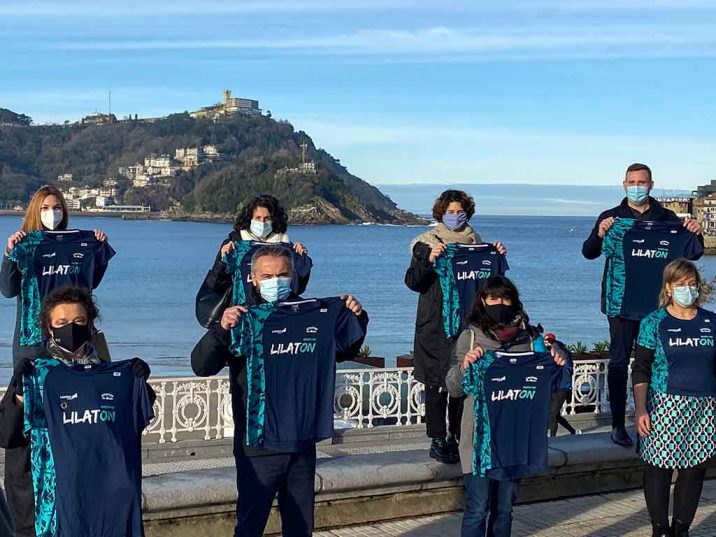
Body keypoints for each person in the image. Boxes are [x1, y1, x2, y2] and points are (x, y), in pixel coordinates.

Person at [191, 245, 368, 537]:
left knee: (300, 528)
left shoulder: (314, 315)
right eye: (268, 275)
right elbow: (200, 366)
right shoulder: (242, 318)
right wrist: (221, 329)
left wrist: (356, 317)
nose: (276, 280)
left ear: (294, 276)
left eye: (283, 274)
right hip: (258, 444)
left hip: (302, 440)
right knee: (250, 526)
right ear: (254, 279)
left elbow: (345, 348)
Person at [0, 286, 151, 537]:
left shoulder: (113, 375)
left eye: (79, 321)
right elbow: (6, 436)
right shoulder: (36, 375)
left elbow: (129, 427)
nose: (70, 327)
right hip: (44, 506)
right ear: (49, 328)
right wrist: (18, 397)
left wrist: (139, 387)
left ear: (89, 324)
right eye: (61, 322)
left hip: (101, 500)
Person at [582, 163, 703, 447]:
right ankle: (616, 424)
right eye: (632, 182)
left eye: (642, 182)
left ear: (651, 184)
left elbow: (693, 255)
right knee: (619, 361)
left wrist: (695, 232)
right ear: (624, 184)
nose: (637, 186)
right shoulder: (612, 218)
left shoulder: (668, 218)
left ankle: (656, 418)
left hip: (658, 305)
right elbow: (589, 253)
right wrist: (600, 234)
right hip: (620, 303)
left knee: (656, 362)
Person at [445, 276, 565, 537]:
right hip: (478, 442)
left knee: (505, 508)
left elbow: (554, 381)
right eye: (493, 298)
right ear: (482, 301)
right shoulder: (470, 338)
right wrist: (465, 365)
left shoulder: (530, 338)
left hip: (514, 440)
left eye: (505, 298)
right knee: (477, 507)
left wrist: (556, 358)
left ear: (514, 302)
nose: (499, 303)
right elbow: (453, 387)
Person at [405, 189, 506, 464]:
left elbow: (495, 288)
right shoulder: (426, 244)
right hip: (435, 326)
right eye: (450, 211)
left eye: (460, 211)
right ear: (440, 213)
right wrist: (429, 260)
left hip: (470, 327)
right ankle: (438, 438)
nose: (455, 216)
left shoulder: (478, 245)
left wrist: (496, 257)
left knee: (463, 379)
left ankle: (459, 434)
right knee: (437, 384)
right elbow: (413, 282)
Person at [633, 259, 715, 537]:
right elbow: (641, 368)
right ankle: (660, 528)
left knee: (694, 469)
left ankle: (682, 527)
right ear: (668, 288)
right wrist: (641, 409)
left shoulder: (710, 322)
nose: (687, 289)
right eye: (681, 285)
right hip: (664, 403)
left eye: (692, 284)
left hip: (704, 406)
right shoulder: (654, 322)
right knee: (660, 466)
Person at [1, 185, 109, 367]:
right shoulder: (24, 245)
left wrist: (98, 252)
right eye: (45, 208)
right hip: (33, 339)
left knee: (75, 391)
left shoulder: (81, 244)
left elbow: (91, 283)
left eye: (57, 208)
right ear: (36, 210)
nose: (52, 213)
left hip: (74, 337)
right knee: (29, 391)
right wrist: (10, 254)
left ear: (64, 211)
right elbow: (7, 290)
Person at [197, 194, 310, 325]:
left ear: (274, 220)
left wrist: (301, 260)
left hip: (277, 314)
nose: (262, 222)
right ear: (250, 219)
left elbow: (296, 288)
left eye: (267, 218)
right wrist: (222, 260)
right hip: (241, 314)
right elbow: (216, 282)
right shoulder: (235, 245)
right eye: (258, 218)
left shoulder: (285, 249)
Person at [543, 332, 579, 437]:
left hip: (563, 387)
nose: (546, 343)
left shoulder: (562, 353)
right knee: (555, 415)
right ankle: (573, 431)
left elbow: (566, 365)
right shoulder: (550, 354)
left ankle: (552, 438)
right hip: (554, 387)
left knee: (552, 414)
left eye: (548, 341)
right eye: (545, 341)